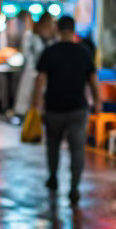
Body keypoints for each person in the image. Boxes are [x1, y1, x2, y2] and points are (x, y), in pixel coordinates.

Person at [35, 17, 101, 205]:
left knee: (53, 146)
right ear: (73, 30)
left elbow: (40, 81)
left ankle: (53, 177)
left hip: (54, 108)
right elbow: (93, 80)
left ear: (57, 29)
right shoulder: (84, 52)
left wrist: (37, 105)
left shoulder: (49, 52)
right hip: (77, 109)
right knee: (77, 149)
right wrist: (98, 102)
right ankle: (74, 186)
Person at [13, 13, 55, 117]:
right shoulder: (31, 38)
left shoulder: (51, 41)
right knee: (31, 109)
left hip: (45, 81)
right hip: (33, 78)